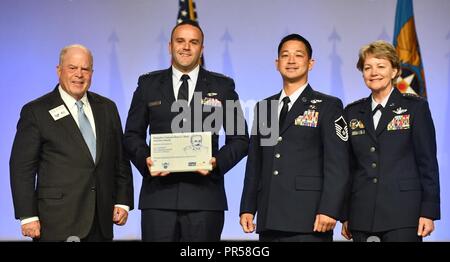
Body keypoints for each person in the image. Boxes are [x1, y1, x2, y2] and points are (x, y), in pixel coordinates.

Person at [123, 20, 249, 242]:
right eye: (180, 41)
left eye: (194, 42)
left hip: (205, 199)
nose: (186, 47)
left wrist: (216, 163)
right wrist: (146, 161)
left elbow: (240, 139)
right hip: (158, 198)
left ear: (202, 48)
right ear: (170, 46)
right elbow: (132, 135)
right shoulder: (147, 85)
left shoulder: (222, 87)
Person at [9, 44, 134, 242]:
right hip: (56, 221)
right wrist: (28, 216)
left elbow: (120, 159)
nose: (79, 74)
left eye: (85, 69)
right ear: (59, 70)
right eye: (72, 68)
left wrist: (123, 201)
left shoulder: (108, 108)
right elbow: (21, 167)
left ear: (92, 73)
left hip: (100, 221)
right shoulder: (36, 111)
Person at [239, 34, 350, 242]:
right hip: (270, 217)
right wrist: (247, 207)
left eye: (298, 55)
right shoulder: (265, 108)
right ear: (277, 63)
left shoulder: (328, 106)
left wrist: (330, 209)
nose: (291, 61)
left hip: (310, 219)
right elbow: (256, 163)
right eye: (285, 55)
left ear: (310, 63)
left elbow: (338, 165)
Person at [341, 40, 440, 242]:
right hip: (361, 214)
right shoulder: (352, 112)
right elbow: (348, 167)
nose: (373, 72)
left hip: (404, 214)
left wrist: (428, 212)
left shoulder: (416, 108)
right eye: (367, 68)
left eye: (381, 66)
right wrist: (345, 214)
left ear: (394, 71)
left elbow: (427, 163)